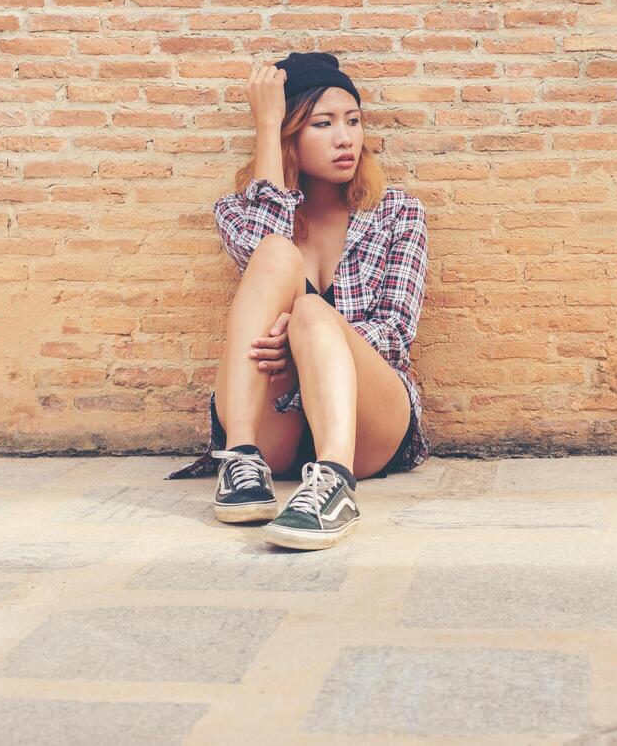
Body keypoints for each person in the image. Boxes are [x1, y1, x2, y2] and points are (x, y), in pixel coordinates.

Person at [167, 51, 430, 551]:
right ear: (290, 135)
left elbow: (396, 335)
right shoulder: (237, 212)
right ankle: (242, 459)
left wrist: (309, 337)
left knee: (312, 312)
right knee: (274, 250)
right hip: (277, 430)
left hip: (369, 423)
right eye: (322, 124)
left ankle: (334, 484)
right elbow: (261, 244)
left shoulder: (398, 213)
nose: (344, 138)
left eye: (353, 121)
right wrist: (266, 125)